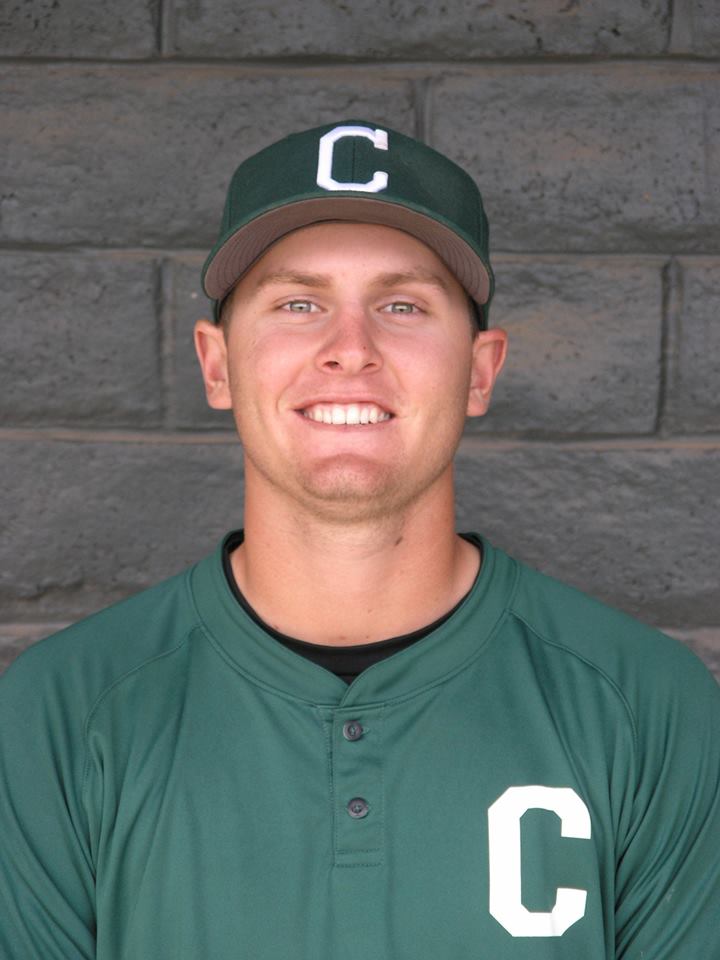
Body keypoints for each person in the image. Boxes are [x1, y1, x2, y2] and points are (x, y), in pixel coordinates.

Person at [1, 120, 719, 960]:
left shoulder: (649, 706)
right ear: (217, 364)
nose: (350, 350)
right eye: (298, 304)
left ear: (481, 369)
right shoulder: (61, 712)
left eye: (402, 305)